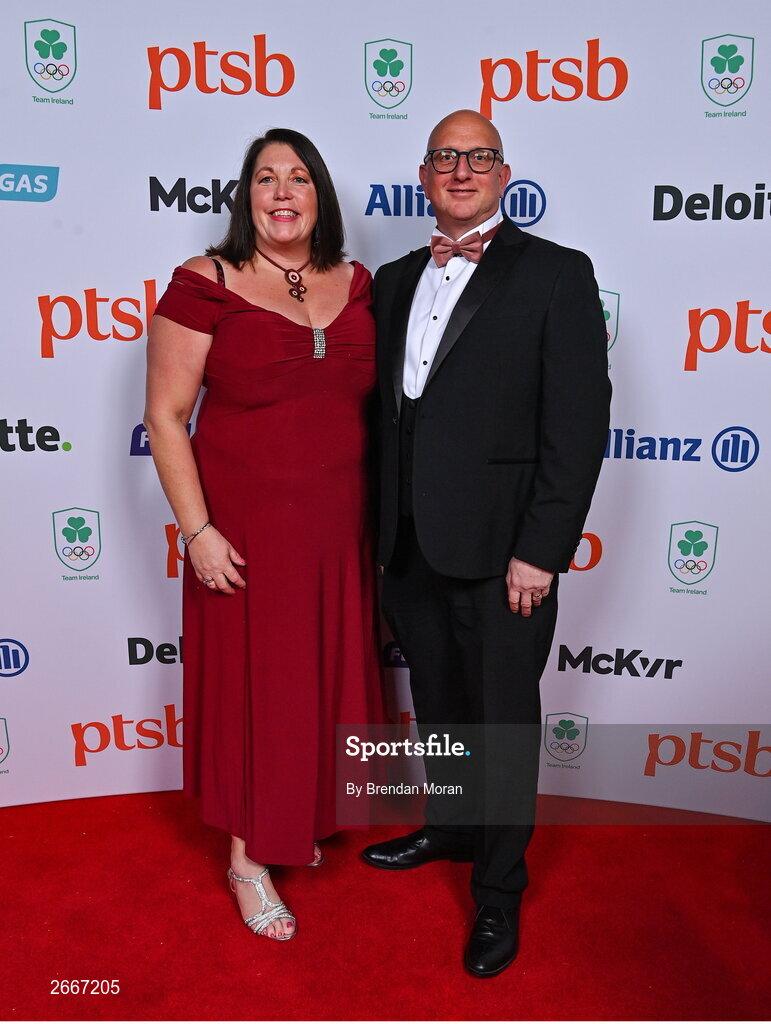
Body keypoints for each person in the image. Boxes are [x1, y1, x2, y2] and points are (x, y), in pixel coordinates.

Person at [362, 110, 611, 976]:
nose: (460, 169)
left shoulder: (555, 274)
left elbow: (576, 428)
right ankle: (452, 829)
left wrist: (541, 550)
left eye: (478, 157)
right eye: (444, 158)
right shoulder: (391, 279)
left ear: (503, 174)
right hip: (409, 545)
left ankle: (498, 892)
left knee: (501, 722)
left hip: (509, 556)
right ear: (422, 175)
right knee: (439, 705)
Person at [144, 128, 382, 941]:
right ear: (245, 197)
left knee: (315, 681)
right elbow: (166, 418)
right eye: (264, 179)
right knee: (259, 690)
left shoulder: (358, 284)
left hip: (336, 533)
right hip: (244, 535)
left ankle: (298, 820)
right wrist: (198, 532)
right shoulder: (202, 283)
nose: (282, 192)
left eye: (298, 178)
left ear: (320, 195)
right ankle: (249, 861)